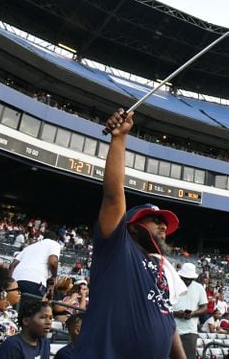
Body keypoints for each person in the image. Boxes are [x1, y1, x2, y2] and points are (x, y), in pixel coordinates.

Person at [73, 109, 187, 359]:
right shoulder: (117, 247)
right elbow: (114, 196)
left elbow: (167, 322)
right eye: (155, 220)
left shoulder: (161, 269)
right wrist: (120, 139)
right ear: (133, 226)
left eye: (164, 223)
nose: (163, 226)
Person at [9, 231, 60, 302]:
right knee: (30, 311)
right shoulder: (54, 243)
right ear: (55, 239)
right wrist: (54, 276)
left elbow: (12, 265)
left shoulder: (30, 246)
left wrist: (10, 281)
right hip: (34, 281)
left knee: (14, 310)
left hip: (16, 281)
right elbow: (53, 262)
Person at [173, 263, 208, 359]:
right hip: (171, 329)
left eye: (190, 278)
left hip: (190, 331)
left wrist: (193, 313)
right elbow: (164, 306)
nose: (187, 280)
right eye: (185, 278)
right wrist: (175, 313)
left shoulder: (199, 288)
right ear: (180, 276)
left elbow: (204, 307)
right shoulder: (172, 286)